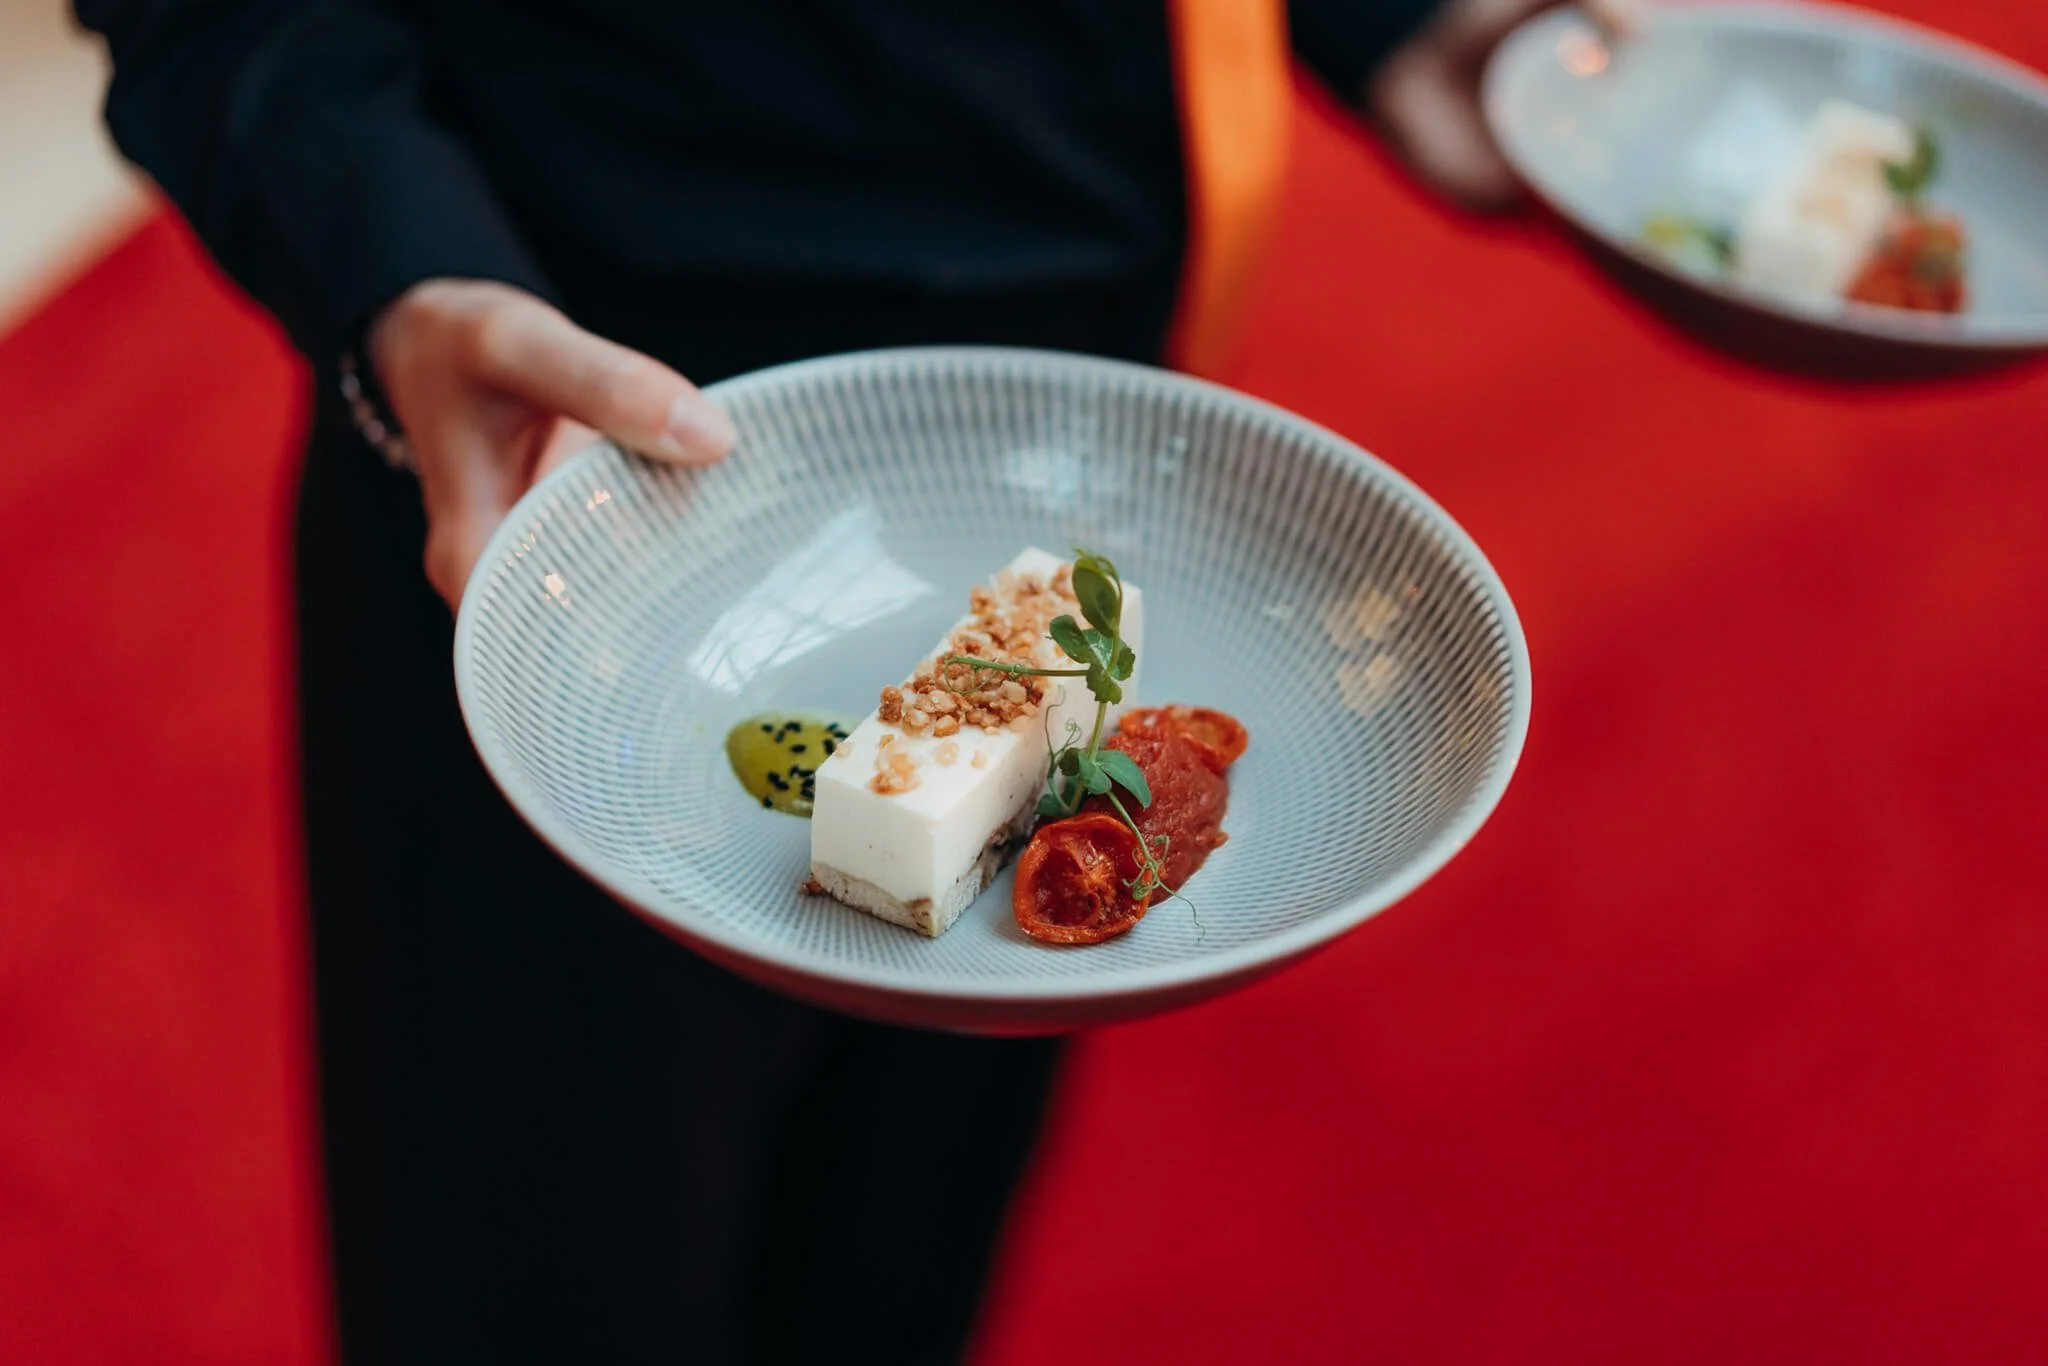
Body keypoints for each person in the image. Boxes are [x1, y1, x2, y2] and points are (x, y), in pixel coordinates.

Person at [77, 1, 1626, 1361]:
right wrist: (395, 249)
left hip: (1079, 370)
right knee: (539, 1269)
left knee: (897, 1269)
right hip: (564, 448)